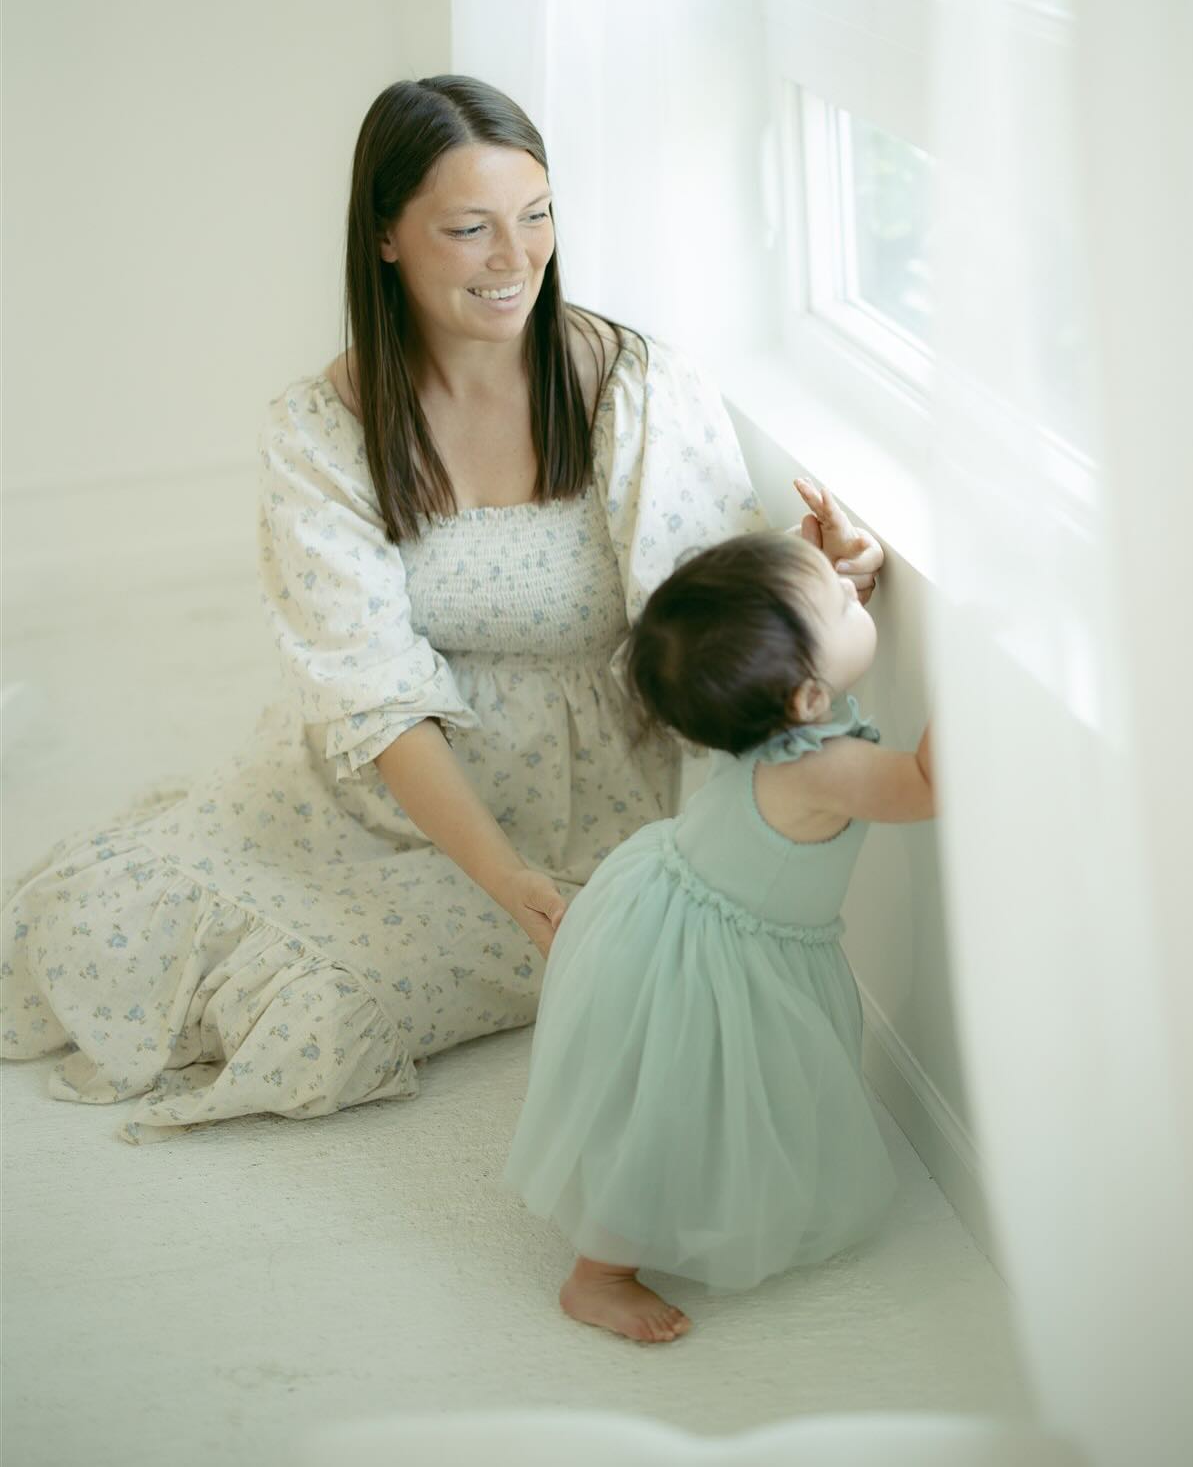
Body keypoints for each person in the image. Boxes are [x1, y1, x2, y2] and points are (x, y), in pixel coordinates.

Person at [1, 75, 885, 1143]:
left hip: (594, 800)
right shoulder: (322, 429)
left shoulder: (629, 384)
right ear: (386, 237)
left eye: (537, 214)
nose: (515, 259)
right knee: (104, 933)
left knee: (333, 1019)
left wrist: (816, 576)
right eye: (470, 229)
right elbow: (371, 688)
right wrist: (499, 874)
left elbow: (699, 605)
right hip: (396, 789)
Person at [502, 528, 936, 1343]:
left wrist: (843, 572)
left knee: (676, 1099)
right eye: (839, 599)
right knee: (670, 1112)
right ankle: (599, 1275)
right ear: (805, 695)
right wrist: (980, 667)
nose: (853, 596)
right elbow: (923, 785)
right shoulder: (817, 765)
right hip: (713, 959)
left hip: (668, 907)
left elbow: (829, 641)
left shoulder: (766, 700)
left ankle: (618, 1250)